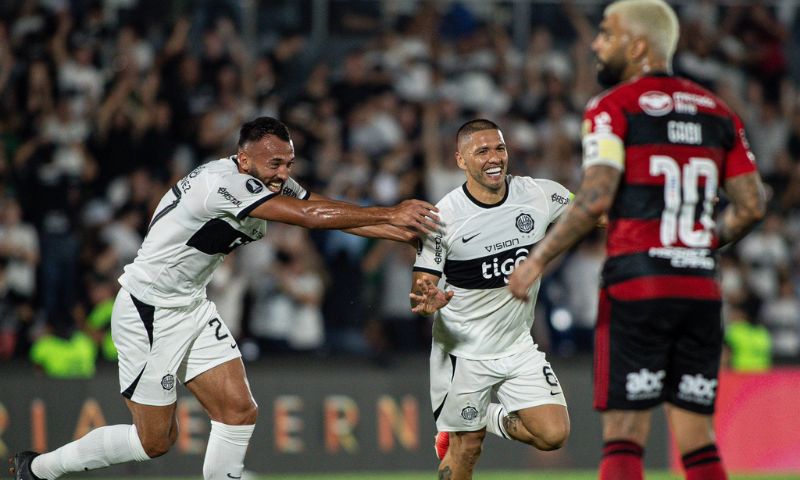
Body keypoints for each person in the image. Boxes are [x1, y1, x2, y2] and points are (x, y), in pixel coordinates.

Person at [11, 116, 440, 480]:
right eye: (275, 163)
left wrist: (402, 233)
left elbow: (320, 207)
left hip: (190, 306)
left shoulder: (266, 178)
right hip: (149, 311)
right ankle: (39, 470)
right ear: (243, 158)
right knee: (154, 441)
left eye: (289, 164)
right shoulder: (223, 186)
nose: (283, 174)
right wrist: (389, 212)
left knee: (238, 411)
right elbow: (310, 218)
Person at [508, 1, 767, 479]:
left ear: (639, 45)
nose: (595, 43)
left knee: (625, 434)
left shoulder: (612, 108)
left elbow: (596, 196)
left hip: (637, 285)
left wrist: (538, 259)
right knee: (698, 439)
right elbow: (752, 206)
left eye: (607, 33)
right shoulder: (717, 112)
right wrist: (702, 242)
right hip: (701, 291)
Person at [410, 119, 571, 480]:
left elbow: (593, 213)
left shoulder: (538, 194)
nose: (494, 157)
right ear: (460, 160)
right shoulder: (443, 217)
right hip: (463, 353)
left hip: (516, 344)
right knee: (467, 450)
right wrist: (427, 296)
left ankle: (489, 415)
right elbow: (422, 284)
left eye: (499, 148)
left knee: (553, 434)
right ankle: (468, 425)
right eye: (481, 151)